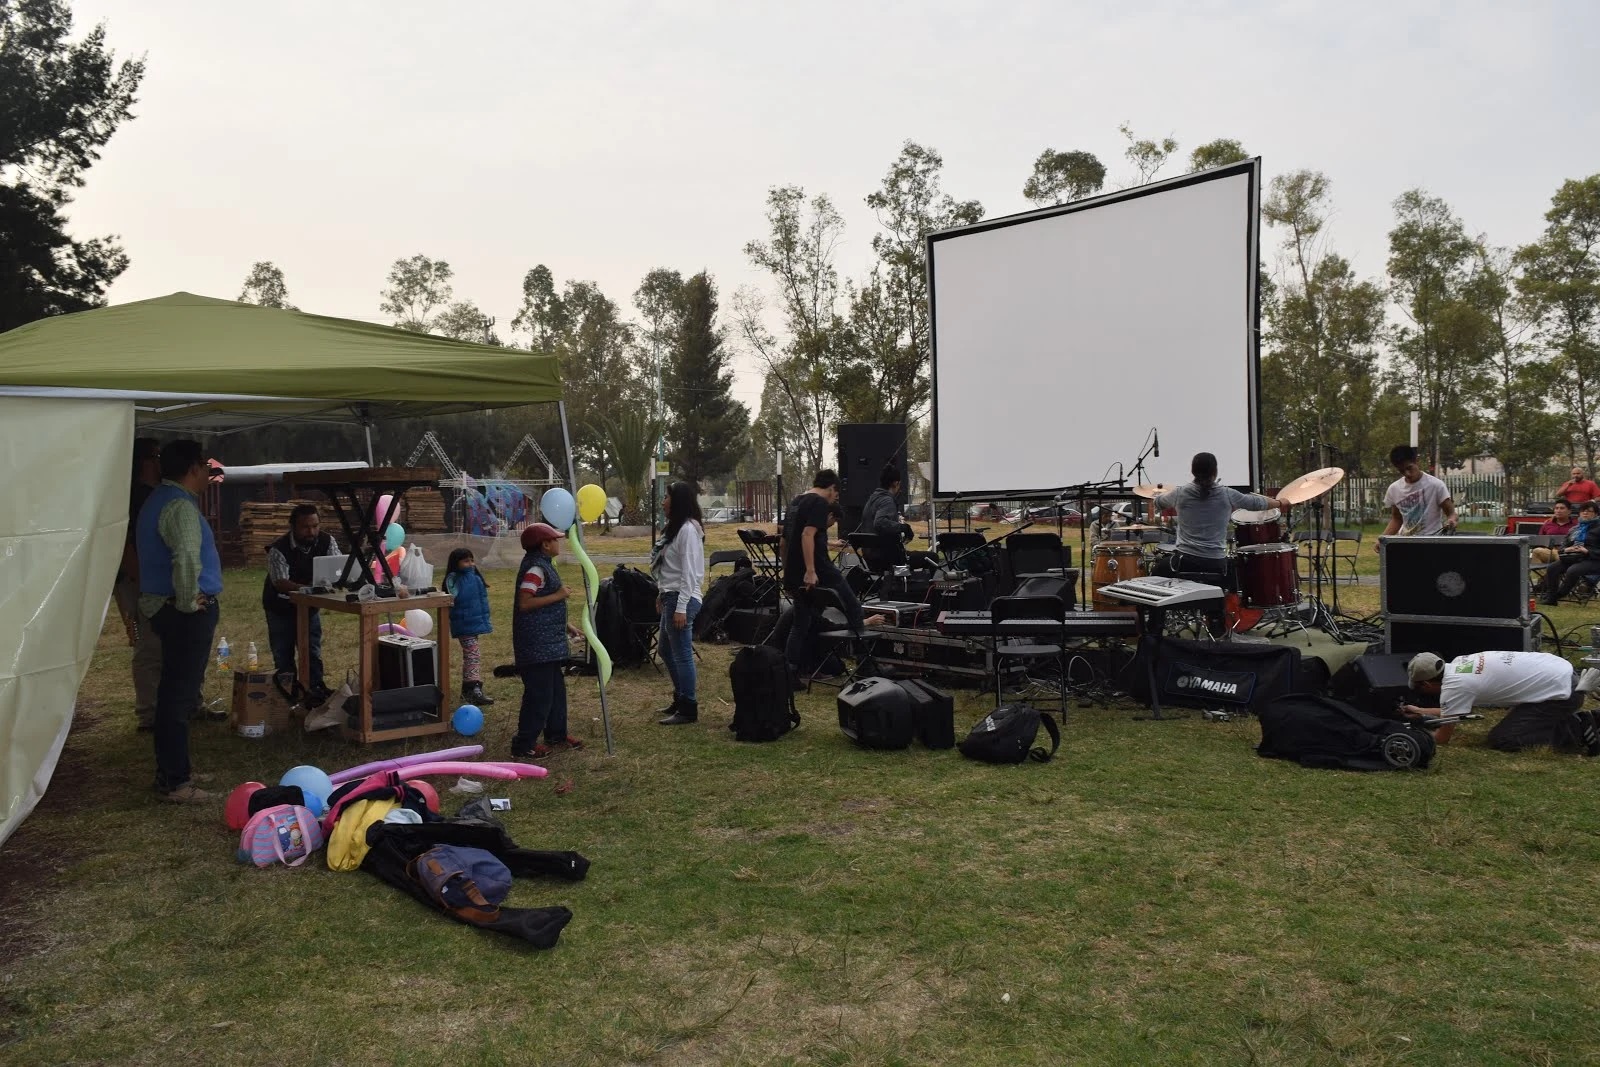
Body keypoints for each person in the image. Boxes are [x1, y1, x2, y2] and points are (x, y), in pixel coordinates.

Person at [136, 440, 223, 803]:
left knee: (174, 694)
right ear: (193, 468)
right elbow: (186, 558)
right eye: (205, 466)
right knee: (177, 697)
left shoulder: (159, 499)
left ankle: (173, 770)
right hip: (181, 611)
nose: (207, 473)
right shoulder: (179, 506)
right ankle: (176, 781)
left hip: (165, 608)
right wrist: (189, 602)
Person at [782, 470, 879, 680]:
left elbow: (784, 541)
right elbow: (807, 535)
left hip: (795, 573)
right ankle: (865, 666)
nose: (836, 498)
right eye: (836, 493)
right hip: (820, 570)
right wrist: (810, 570)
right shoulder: (818, 503)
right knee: (853, 607)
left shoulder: (796, 502)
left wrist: (788, 571)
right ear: (831, 488)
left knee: (802, 623)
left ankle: (791, 672)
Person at [1402, 650, 1594, 749]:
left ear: (1426, 684)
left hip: (1564, 694)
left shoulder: (1455, 686)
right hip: (1563, 672)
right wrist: (1421, 711)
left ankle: (1580, 729)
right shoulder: (1461, 662)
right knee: (1517, 723)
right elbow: (1454, 712)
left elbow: (1443, 738)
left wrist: (1416, 736)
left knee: (1503, 739)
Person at [1150, 452, 1290, 581]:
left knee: (1154, 574)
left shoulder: (1180, 493)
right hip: (1216, 563)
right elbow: (1257, 503)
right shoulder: (1227, 494)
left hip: (1185, 561)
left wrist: (1160, 494)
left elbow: (1158, 503)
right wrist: (1279, 502)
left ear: (1192, 471)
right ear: (1215, 472)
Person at [511, 522, 584, 759]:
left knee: (556, 691)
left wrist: (567, 626)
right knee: (539, 694)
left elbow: (544, 605)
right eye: (555, 540)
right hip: (536, 645)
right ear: (544, 545)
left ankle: (556, 734)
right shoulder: (535, 568)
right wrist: (559, 595)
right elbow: (525, 603)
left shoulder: (544, 565)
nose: (558, 543)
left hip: (549, 643)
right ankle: (524, 744)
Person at [260, 504, 340, 699]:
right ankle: (288, 694)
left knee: (312, 649)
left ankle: (315, 689)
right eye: (305, 527)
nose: (311, 531)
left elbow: (337, 566)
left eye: (315, 526)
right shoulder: (278, 549)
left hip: (309, 606)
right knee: (283, 652)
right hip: (280, 607)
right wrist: (310, 589)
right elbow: (280, 583)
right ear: (293, 527)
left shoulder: (327, 541)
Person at [113, 438, 163, 730]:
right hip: (139, 581)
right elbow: (126, 543)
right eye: (155, 456)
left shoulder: (152, 493)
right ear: (144, 461)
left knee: (162, 645)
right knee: (147, 646)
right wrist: (140, 580)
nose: (159, 463)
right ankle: (148, 713)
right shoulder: (135, 496)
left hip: (150, 580)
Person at [651, 481, 706, 726]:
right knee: (665, 649)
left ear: (678, 501)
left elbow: (690, 572)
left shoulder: (688, 530)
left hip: (682, 598)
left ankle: (688, 707)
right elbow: (669, 569)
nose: (663, 502)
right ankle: (681, 696)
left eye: (667, 497)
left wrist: (682, 606)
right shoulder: (674, 529)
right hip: (670, 595)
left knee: (682, 653)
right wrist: (661, 593)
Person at [1375, 445, 1456, 550]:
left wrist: (1451, 520)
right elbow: (1397, 519)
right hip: (1406, 544)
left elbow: (1451, 513)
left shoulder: (1436, 485)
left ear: (1416, 461)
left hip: (1432, 543)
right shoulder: (1394, 489)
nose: (1407, 474)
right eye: (1402, 471)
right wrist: (1382, 539)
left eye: (1409, 468)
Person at [444, 548, 494, 707]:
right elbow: (453, 596)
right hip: (464, 622)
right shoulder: (455, 578)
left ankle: (470, 688)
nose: (471, 564)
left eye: (472, 560)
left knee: (472, 654)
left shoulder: (474, 576)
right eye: (466, 561)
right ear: (456, 563)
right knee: (473, 654)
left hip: (473, 622)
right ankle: (472, 688)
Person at [1539, 501, 1600, 605]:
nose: (1585, 513)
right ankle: (1551, 598)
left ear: (1596, 514)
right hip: (1574, 557)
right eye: (1583, 511)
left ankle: (1559, 594)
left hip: (1593, 559)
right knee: (1552, 568)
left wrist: (1587, 551)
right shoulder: (1575, 529)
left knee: (1573, 570)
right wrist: (1567, 549)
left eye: (1589, 511)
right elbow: (1563, 546)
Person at [854, 465, 913, 570]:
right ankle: (905, 584)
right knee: (932, 558)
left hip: (871, 557)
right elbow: (880, 523)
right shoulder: (887, 500)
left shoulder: (872, 499)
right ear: (896, 483)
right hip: (888, 558)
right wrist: (904, 527)